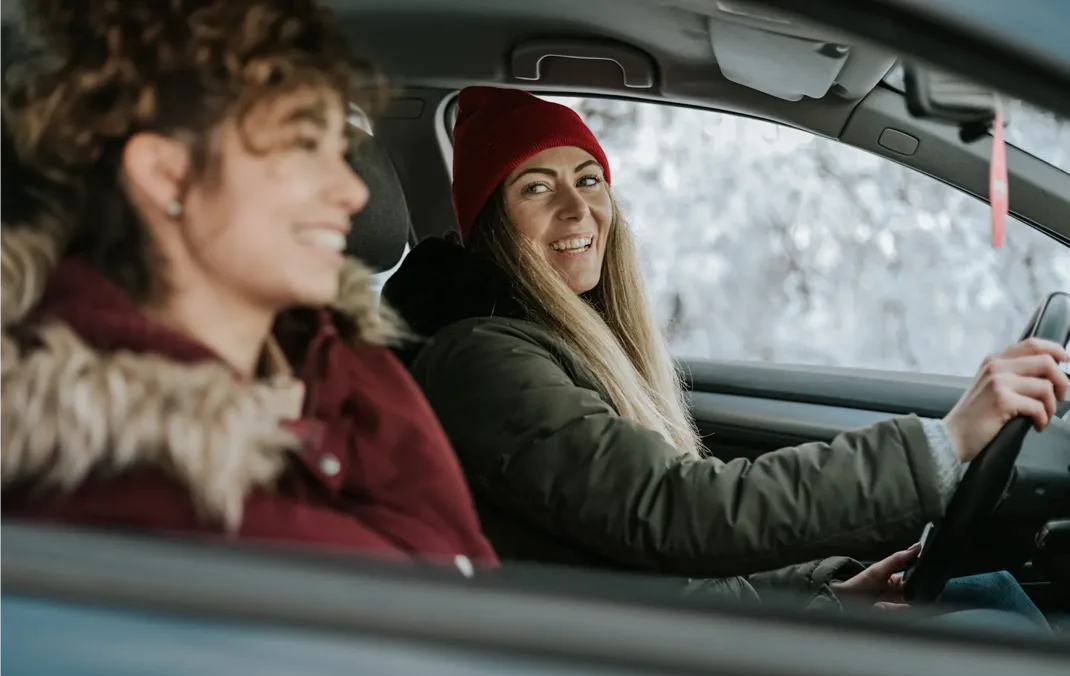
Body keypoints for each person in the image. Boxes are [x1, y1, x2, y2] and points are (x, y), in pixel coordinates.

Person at [381, 86, 1065, 613]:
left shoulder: (552, 344)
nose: (577, 208)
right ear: (492, 226)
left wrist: (830, 595)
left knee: (986, 596)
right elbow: (683, 514)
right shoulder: (483, 363)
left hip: (660, 634)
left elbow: (653, 567)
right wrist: (944, 442)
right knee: (992, 622)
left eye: (588, 178)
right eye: (536, 187)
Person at [0, 0, 496, 568]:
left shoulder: (338, 354)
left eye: (343, 148)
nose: (354, 193)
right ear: (167, 175)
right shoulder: (103, 474)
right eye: (304, 145)